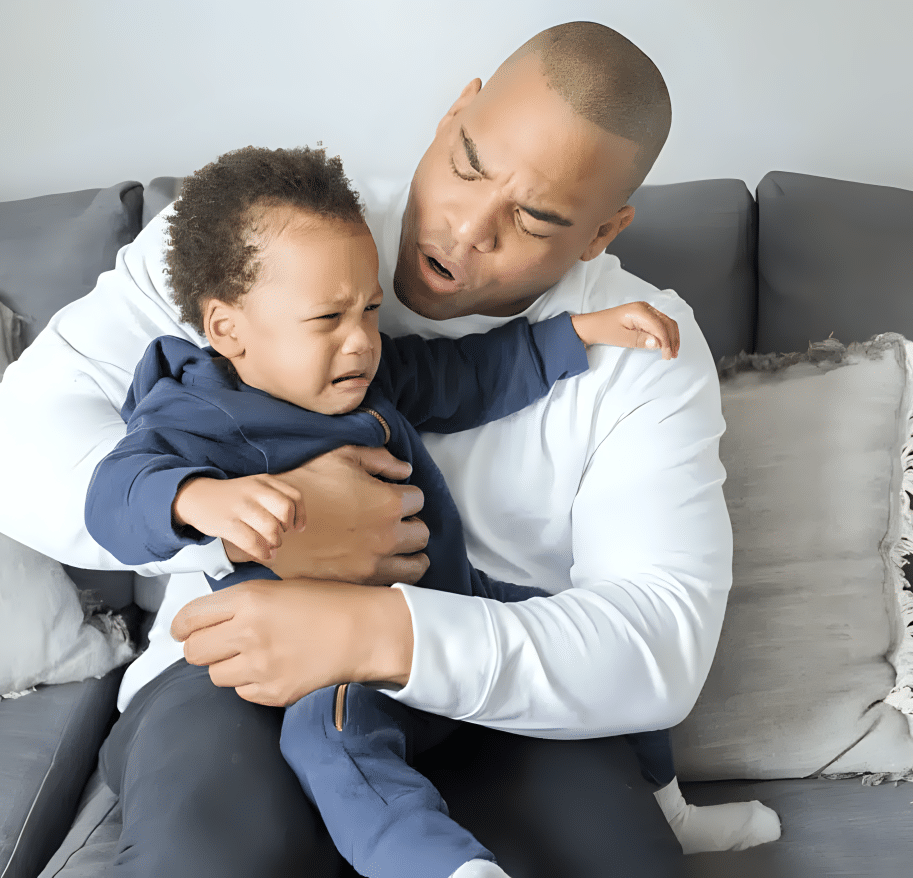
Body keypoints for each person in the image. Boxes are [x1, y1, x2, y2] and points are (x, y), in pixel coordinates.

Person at [0, 21, 780, 877]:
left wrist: (374, 627)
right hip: (235, 657)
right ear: (455, 110)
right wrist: (259, 527)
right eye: (469, 164)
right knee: (210, 854)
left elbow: (659, 638)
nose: (467, 231)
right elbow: (6, 463)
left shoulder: (640, 339)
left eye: (534, 218)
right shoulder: (255, 244)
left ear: (603, 233)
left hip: (516, 673)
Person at [83, 144, 683, 878]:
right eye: (328, 317)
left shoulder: (371, 373)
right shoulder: (198, 412)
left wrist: (578, 335)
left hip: (449, 606)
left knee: (595, 653)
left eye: (368, 308)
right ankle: (444, 866)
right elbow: (115, 494)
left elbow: (469, 375)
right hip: (317, 660)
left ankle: (670, 799)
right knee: (333, 739)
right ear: (228, 329)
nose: (362, 340)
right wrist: (201, 500)